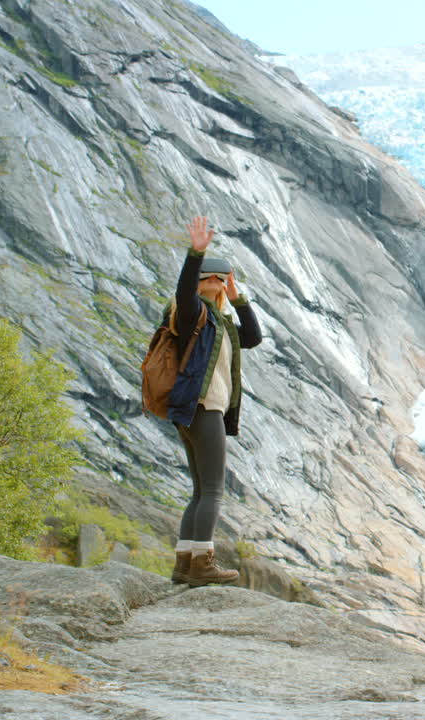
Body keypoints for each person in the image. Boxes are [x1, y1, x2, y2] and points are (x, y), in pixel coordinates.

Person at [166, 216, 263, 587]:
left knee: (199, 489)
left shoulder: (218, 322)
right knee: (213, 490)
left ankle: (184, 564)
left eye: (220, 279)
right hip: (202, 407)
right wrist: (196, 254)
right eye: (210, 277)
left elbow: (252, 337)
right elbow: (183, 293)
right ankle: (202, 565)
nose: (216, 283)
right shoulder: (192, 315)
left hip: (202, 411)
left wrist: (239, 299)